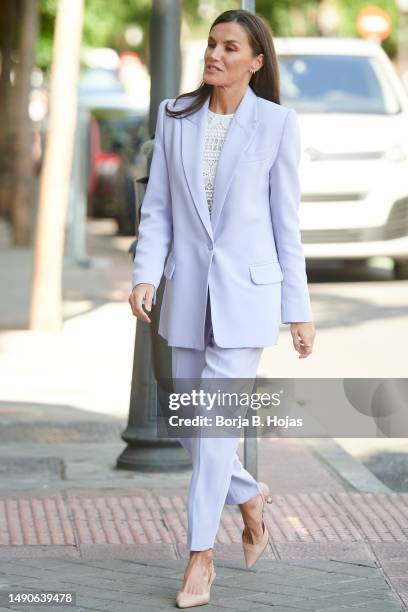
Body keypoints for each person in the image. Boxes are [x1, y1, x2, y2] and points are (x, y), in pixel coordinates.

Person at [129, 8, 316, 609]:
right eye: (211, 44)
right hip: (185, 291)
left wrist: (300, 311)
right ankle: (250, 497)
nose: (215, 55)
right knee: (190, 421)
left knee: (213, 428)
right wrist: (143, 274)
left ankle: (199, 558)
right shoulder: (176, 117)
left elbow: (287, 225)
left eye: (230, 48)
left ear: (256, 62)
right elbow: (156, 207)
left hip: (248, 296)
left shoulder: (277, 124)